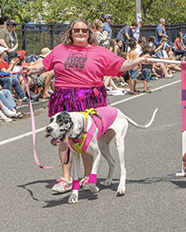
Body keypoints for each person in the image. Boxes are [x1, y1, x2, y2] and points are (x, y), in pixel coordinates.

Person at [25, 18, 148, 193]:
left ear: (89, 33)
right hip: (64, 97)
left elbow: (120, 64)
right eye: (77, 30)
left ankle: (88, 176)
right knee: (64, 138)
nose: (81, 33)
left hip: (89, 98)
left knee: (87, 138)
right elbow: (43, 65)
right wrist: (30, 68)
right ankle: (66, 178)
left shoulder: (100, 51)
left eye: (84, 30)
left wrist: (138, 61)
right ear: (71, 32)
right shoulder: (59, 50)